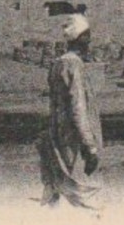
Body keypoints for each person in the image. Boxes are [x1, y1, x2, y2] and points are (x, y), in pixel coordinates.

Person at [38, 12, 103, 208]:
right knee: (84, 197)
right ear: (81, 38)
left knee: (60, 192)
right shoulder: (73, 65)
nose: (90, 40)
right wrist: (89, 145)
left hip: (57, 133)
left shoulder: (57, 63)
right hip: (74, 140)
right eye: (87, 36)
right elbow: (78, 108)